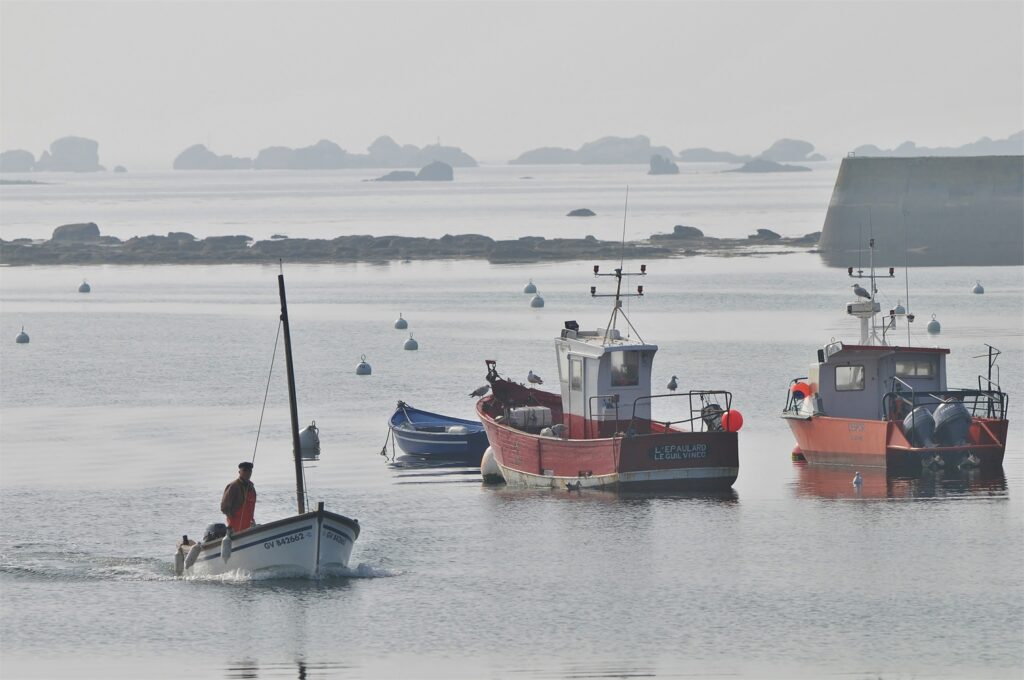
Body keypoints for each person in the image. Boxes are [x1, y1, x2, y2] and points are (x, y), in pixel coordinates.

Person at [221, 461, 256, 532]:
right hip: (236, 528)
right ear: (239, 472)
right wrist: (233, 517)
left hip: (249, 526)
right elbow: (224, 508)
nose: (247, 472)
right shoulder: (233, 486)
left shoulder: (251, 487)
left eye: (249, 470)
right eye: (244, 470)